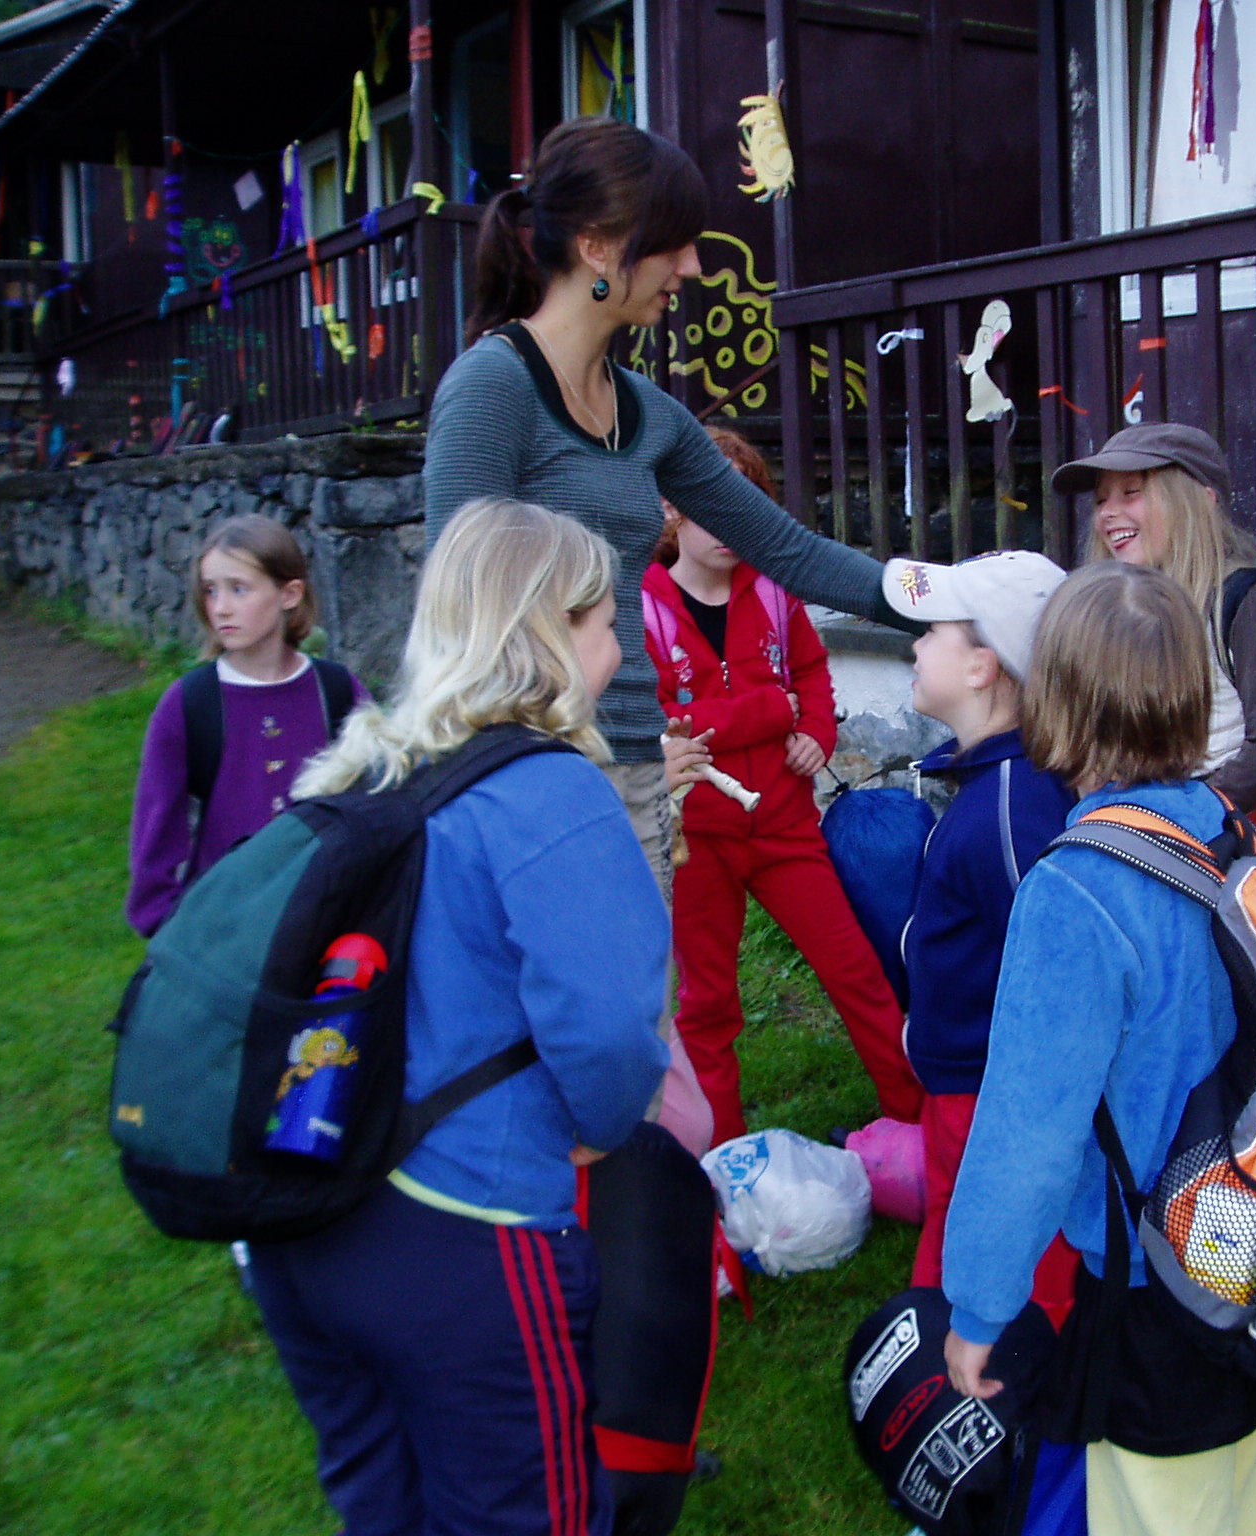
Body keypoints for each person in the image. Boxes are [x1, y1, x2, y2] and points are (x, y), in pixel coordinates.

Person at [255, 498, 669, 1536]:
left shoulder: (370, 766)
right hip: (463, 1234)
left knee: (382, 1503)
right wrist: (602, 1128)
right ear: (551, 633)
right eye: (605, 623)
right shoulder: (549, 790)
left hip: (308, 1212)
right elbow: (611, 1033)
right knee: (523, 1514)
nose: (619, 649)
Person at [422, 115, 906, 896]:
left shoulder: (647, 411)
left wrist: (944, 598)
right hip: (532, 776)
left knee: (644, 979)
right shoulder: (492, 389)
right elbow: (455, 615)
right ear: (597, 247)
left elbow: (788, 551)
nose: (691, 265)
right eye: (673, 242)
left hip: (640, 769)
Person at [942, 561, 1256, 1536]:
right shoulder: (1233, 835)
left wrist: (979, 1306)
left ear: (1053, 699)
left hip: (1149, 1281)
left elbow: (1029, 1132)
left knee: (1156, 1505)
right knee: (1239, 1500)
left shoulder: (1076, 889)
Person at [647, 428, 923, 1142]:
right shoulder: (642, 607)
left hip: (785, 827)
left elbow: (811, 677)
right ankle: (721, 1158)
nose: (729, 524)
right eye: (711, 504)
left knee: (855, 972)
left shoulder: (774, 592)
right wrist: (773, 712)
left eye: (745, 504)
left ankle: (919, 1124)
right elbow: (668, 723)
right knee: (707, 1003)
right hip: (694, 839)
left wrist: (816, 734)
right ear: (673, 509)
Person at [878, 550, 1076, 1312]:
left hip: (994, 1100)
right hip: (960, 1084)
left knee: (993, 1257)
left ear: (981, 667)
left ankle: (987, 1363)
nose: (915, 646)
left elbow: (1053, 967)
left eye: (932, 632)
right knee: (952, 1230)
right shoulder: (988, 784)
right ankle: (937, 1346)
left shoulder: (1012, 806)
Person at [126, 513, 367, 937]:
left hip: (329, 919)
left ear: (289, 594)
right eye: (210, 590)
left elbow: (378, 804)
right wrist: (167, 928)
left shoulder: (337, 691)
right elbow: (157, 827)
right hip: (222, 928)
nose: (221, 607)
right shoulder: (190, 703)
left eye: (239, 589)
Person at [1052, 422, 1256, 824]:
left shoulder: (1248, 599)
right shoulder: (1112, 617)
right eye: (1100, 500)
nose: (1108, 512)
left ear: (1200, 500)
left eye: (1131, 492)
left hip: (1237, 836)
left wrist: (1176, 816)